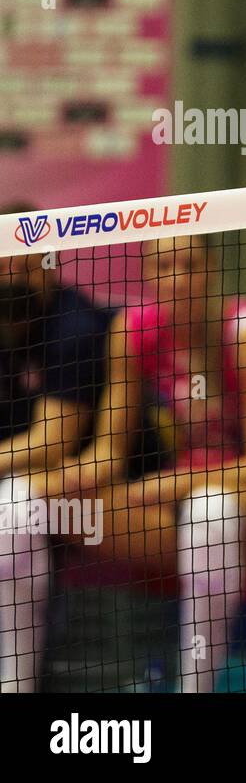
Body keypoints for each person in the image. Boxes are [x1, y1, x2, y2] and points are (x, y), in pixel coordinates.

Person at [1, 233, 246, 693]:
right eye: (164, 267)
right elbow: (107, 454)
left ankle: (196, 686)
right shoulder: (133, 331)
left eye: (190, 265)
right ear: (148, 275)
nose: (177, 280)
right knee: (19, 503)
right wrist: (65, 479)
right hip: (180, 519)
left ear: (212, 270)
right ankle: (15, 684)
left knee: (213, 510)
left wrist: (159, 488)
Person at [0, 238, 110, 693]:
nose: (15, 281)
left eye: (27, 269)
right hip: (29, 480)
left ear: (51, 265)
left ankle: (18, 682)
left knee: (12, 512)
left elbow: (54, 442)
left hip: (95, 492)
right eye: (7, 269)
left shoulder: (75, 328)